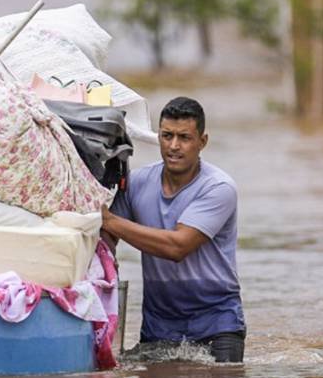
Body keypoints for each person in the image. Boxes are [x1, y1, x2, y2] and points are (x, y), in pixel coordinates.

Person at [101, 96, 246, 362]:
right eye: (167, 136)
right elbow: (106, 240)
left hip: (216, 324)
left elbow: (177, 246)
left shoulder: (218, 188)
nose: (174, 146)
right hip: (159, 326)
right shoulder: (137, 183)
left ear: (202, 142)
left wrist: (108, 220)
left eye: (184, 137)